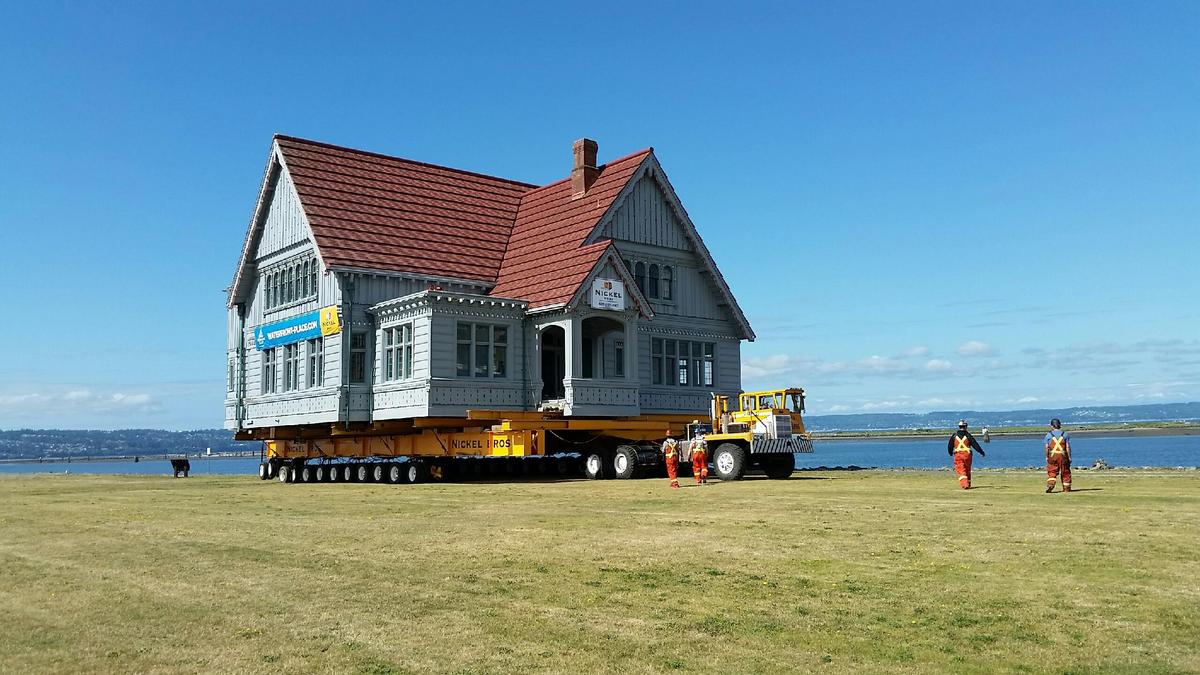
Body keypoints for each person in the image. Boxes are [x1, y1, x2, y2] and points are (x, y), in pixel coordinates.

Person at [947, 419, 985, 489]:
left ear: (959, 426)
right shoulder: (968, 435)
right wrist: (981, 452)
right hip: (967, 455)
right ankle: (969, 483)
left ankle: (965, 485)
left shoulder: (954, 436)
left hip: (958, 455)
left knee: (961, 470)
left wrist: (950, 453)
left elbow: (950, 445)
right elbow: (975, 445)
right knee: (967, 470)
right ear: (966, 426)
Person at [1044, 418, 1072, 493]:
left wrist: (1047, 456)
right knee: (1065, 471)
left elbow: (1047, 448)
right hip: (1063, 456)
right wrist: (1069, 457)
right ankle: (1066, 488)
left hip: (1053, 456)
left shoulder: (1048, 435)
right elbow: (1067, 447)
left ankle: (1050, 485)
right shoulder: (1065, 434)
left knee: (1052, 471)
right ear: (1060, 425)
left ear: (1052, 426)